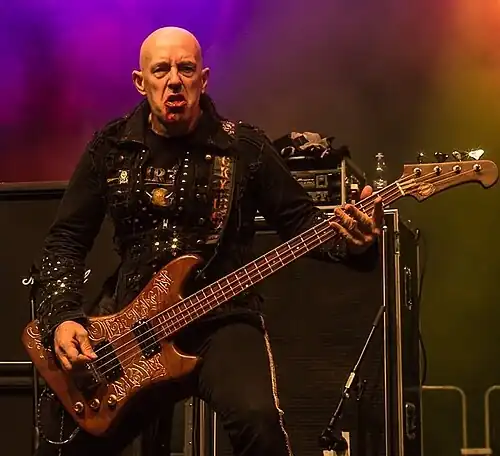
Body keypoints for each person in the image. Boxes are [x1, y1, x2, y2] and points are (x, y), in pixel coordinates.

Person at [34, 26, 383, 456]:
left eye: (186, 68)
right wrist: (63, 317)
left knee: (259, 423)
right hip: (133, 332)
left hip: (222, 320)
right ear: (140, 82)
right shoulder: (110, 148)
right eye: (161, 70)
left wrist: (353, 242)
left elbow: (302, 223)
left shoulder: (244, 148)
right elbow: (66, 239)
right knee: (64, 445)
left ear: (204, 79)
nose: (174, 81)